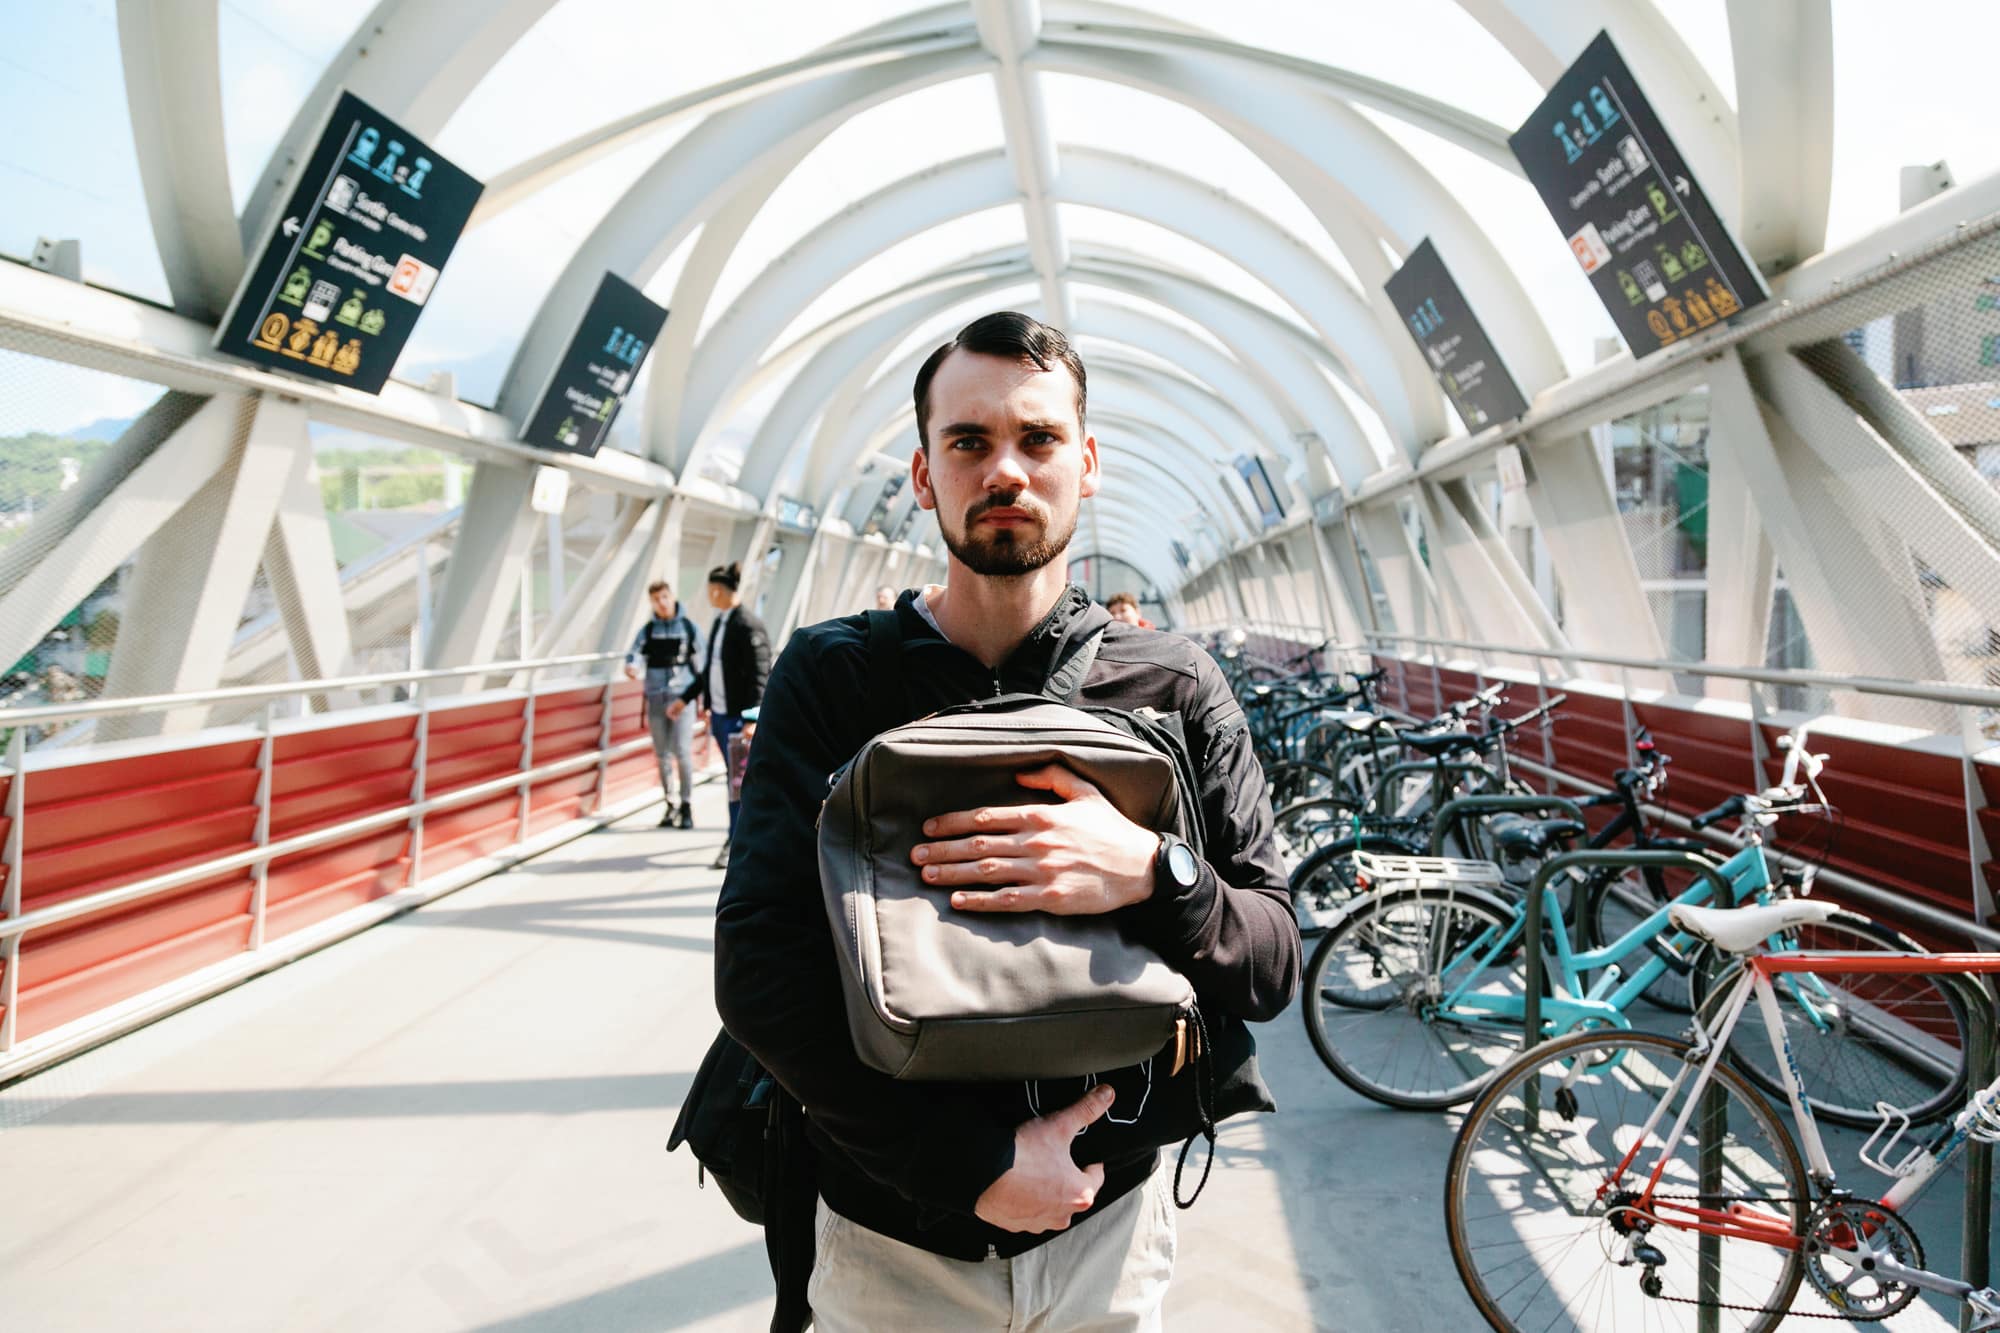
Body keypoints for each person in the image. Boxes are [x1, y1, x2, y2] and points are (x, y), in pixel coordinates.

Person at [715, 311, 1299, 1330]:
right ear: (922, 472)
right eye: (968, 441)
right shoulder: (833, 675)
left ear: (1087, 461)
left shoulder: (1170, 684)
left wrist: (1152, 871)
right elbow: (760, 964)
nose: (1005, 471)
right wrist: (973, 1166)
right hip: (888, 1236)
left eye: (1035, 439)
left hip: (1106, 1231)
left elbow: (1270, 958)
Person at [671, 562, 771, 869]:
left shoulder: (748, 625)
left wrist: (753, 719)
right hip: (721, 716)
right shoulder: (721, 622)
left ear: (717, 590)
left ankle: (736, 843)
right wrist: (685, 699)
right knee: (736, 781)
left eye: (709, 591)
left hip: (739, 720)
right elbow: (709, 671)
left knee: (738, 784)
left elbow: (760, 675)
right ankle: (742, 841)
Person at [626, 580, 703, 829]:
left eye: (664, 597)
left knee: (682, 752)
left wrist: (704, 699)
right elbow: (634, 653)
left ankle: (686, 805)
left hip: (682, 699)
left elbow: (703, 663)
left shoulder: (689, 628)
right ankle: (670, 804)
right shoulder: (648, 631)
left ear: (672, 597)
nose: (661, 603)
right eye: (656, 600)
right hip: (656, 699)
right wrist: (632, 666)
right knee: (662, 755)